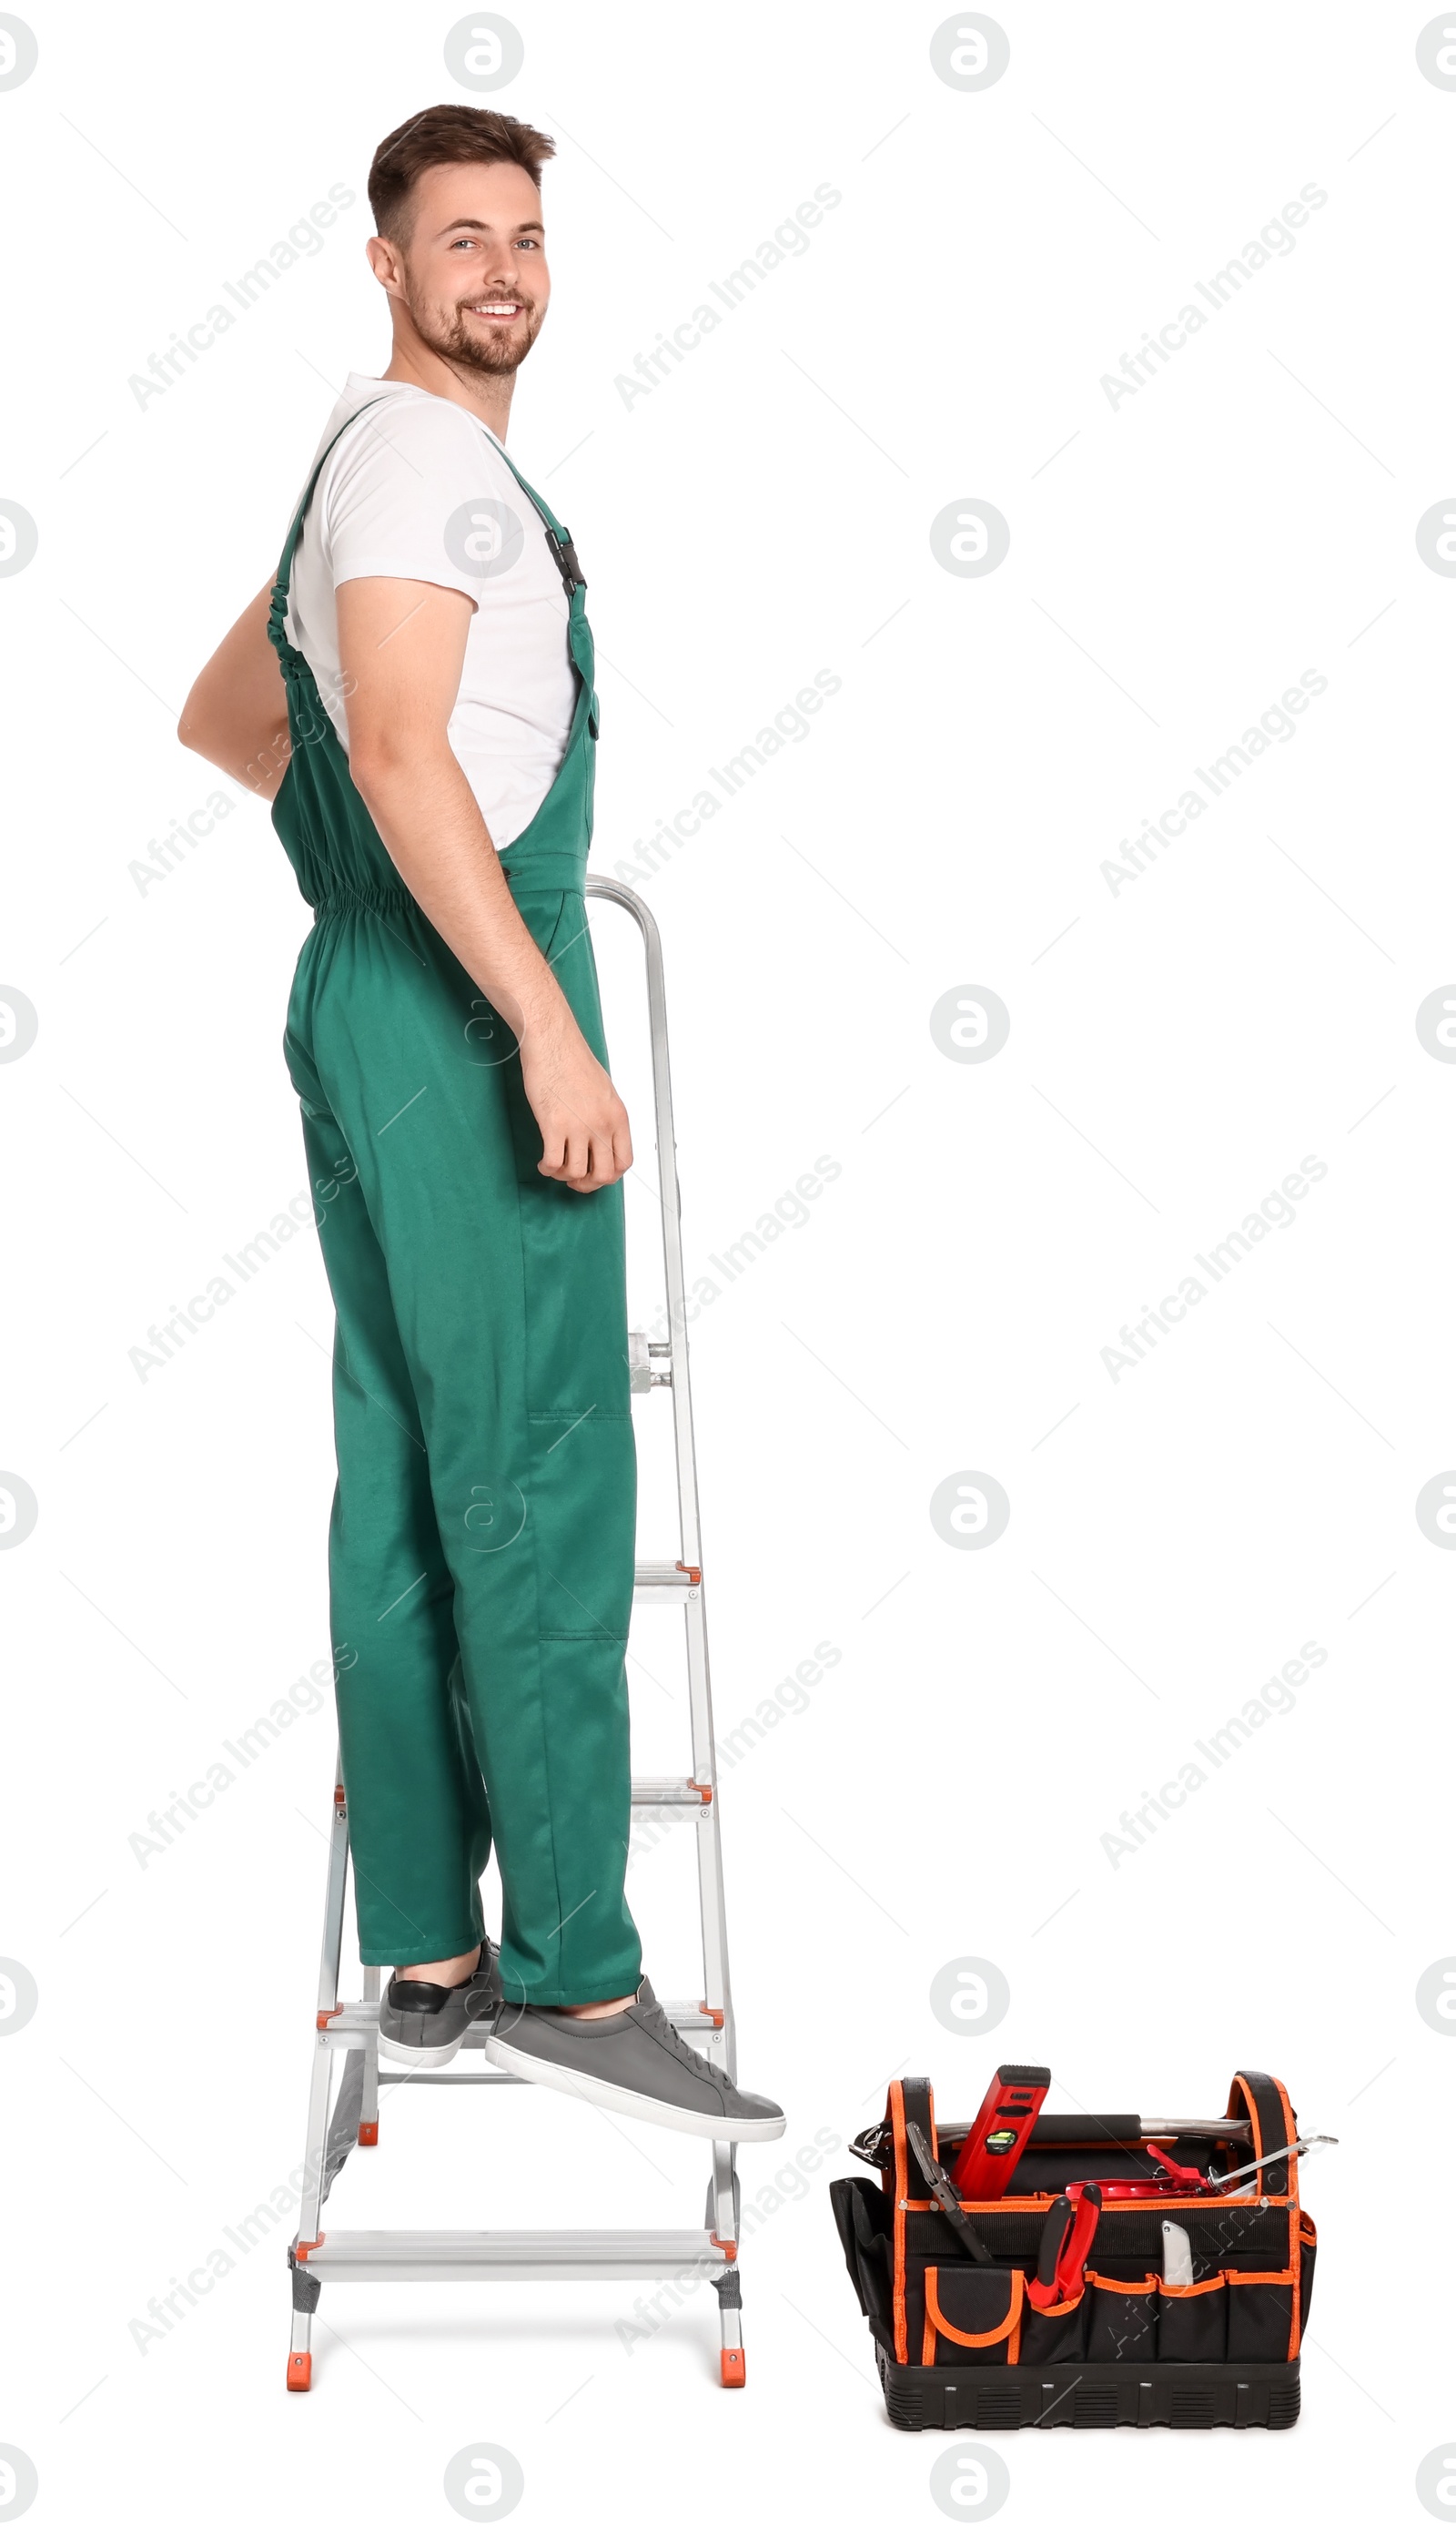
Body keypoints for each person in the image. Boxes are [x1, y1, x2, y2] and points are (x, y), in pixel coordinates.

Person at [178, 102, 783, 2145]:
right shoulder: (433, 469)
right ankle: (577, 1979)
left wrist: (357, 872)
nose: (503, 268)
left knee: (405, 1475)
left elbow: (236, 711)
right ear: (386, 264)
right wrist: (539, 1024)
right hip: (459, 995)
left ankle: (428, 1951)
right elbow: (415, 749)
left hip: (369, 981)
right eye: (461, 238)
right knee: (528, 1469)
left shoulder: (356, 462)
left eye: (525, 233)